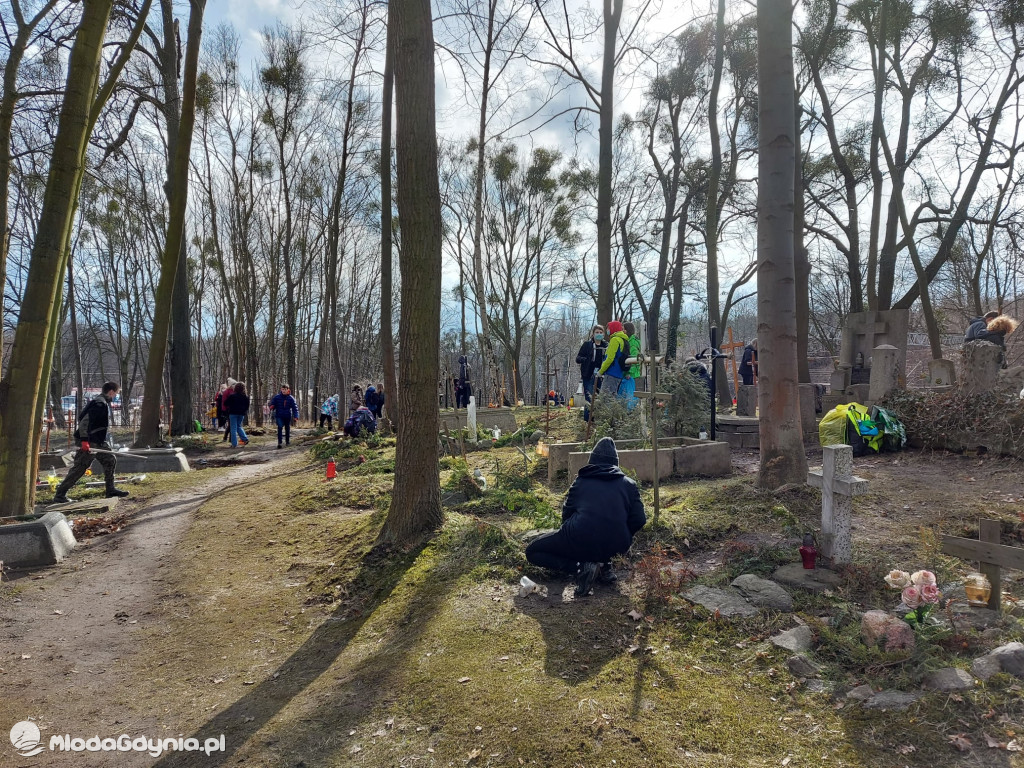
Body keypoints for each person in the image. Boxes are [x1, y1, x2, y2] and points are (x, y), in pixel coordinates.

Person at [525, 437, 646, 597]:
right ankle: (605, 566)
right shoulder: (629, 485)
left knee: (532, 551)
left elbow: (566, 515)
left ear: (592, 461)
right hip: (618, 545)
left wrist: (569, 541)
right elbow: (639, 519)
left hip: (580, 538)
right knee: (605, 537)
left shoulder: (580, 482)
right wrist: (621, 533)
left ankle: (580, 568)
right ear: (615, 463)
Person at [52, 382, 130, 504]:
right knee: (80, 467)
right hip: (88, 440)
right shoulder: (99, 404)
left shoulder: (100, 402)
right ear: (111, 392)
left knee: (110, 459)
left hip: (97, 441)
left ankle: (110, 489)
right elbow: (84, 422)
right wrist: (84, 441)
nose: (115, 396)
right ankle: (60, 495)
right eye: (116, 393)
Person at [576, 325, 607, 422]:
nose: (599, 334)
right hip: (589, 374)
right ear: (593, 334)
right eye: (597, 332)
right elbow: (578, 358)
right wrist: (586, 360)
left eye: (601, 332)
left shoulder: (606, 345)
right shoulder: (587, 345)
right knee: (589, 398)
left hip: (602, 375)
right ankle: (587, 420)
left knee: (600, 398)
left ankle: (597, 419)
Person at [596, 320, 631, 400]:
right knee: (612, 398)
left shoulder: (615, 340)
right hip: (619, 374)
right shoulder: (624, 340)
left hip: (611, 373)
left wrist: (601, 371)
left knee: (605, 399)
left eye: (609, 328)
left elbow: (610, 358)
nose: (608, 331)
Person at [620, 321, 643, 410]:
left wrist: (629, 372)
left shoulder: (632, 343)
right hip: (634, 374)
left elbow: (634, 359)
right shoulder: (633, 341)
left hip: (632, 375)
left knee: (630, 398)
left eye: (623, 329)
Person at [269, 383, 298, 449]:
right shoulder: (277, 397)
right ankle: (280, 442)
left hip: (287, 415)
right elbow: (272, 404)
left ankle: (287, 441)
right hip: (279, 415)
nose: (284, 391)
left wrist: (296, 416)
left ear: (288, 390)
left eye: (285, 389)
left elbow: (295, 408)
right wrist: (271, 406)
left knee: (287, 428)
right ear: (281, 389)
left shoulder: (291, 398)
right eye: (282, 389)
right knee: (280, 427)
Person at [224, 382, 251, 448]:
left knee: (233, 428)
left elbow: (226, 403)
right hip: (241, 414)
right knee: (239, 426)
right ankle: (245, 439)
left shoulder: (232, 396)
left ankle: (234, 444)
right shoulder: (246, 397)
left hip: (233, 413)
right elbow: (247, 406)